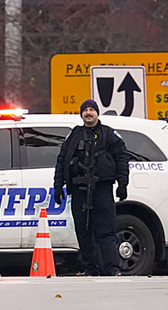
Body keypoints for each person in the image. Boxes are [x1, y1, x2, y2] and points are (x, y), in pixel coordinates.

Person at [53, 99, 130, 276]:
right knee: (83, 231)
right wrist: (58, 185)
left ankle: (112, 268)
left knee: (106, 231)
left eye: (91, 110)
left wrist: (122, 183)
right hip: (79, 189)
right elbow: (62, 160)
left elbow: (122, 158)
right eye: (85, 110)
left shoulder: (109, 134)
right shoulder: (74, 135)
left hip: (101, 188)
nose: (88, 113)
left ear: (97, 113)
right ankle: (90, 268)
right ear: (81, 114)